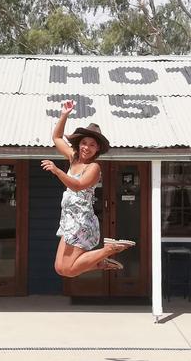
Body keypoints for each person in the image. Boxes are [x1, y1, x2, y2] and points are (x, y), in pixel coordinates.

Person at [41, 100, 135, 278]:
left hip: (81, 222)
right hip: (68, 220)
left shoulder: (93, 168)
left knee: (68, 270)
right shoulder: (73, 158)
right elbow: (57, 138)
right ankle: (99, 263)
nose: (87, 147)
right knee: (60, 268)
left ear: (97, 148)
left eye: (92, 145)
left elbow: (77, 186)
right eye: (84, 143)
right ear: (79, 143)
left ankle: (109, 250)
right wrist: (64, 115)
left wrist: (57, 171)